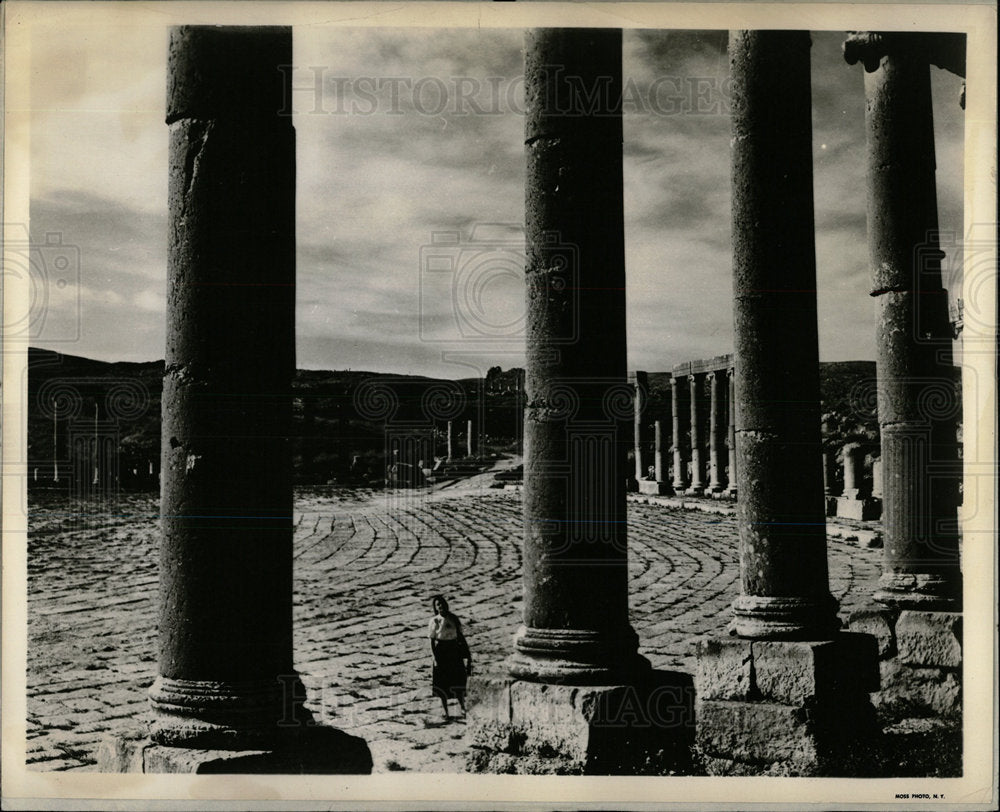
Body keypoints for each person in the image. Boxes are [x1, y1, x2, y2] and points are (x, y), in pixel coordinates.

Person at [427, 595, 472, 720]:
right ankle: (446, 711)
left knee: (457, 680)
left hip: (453, 650)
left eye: (442, 603)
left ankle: (462, 707)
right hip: (441, 651)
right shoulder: (434, 621)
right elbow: (432, 641)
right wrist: (434, 658)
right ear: (436, 608)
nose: (441, 606)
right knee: (442, 683)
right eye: (438, 605)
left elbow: (460, 637)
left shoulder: (453, 619)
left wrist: (466, 654)